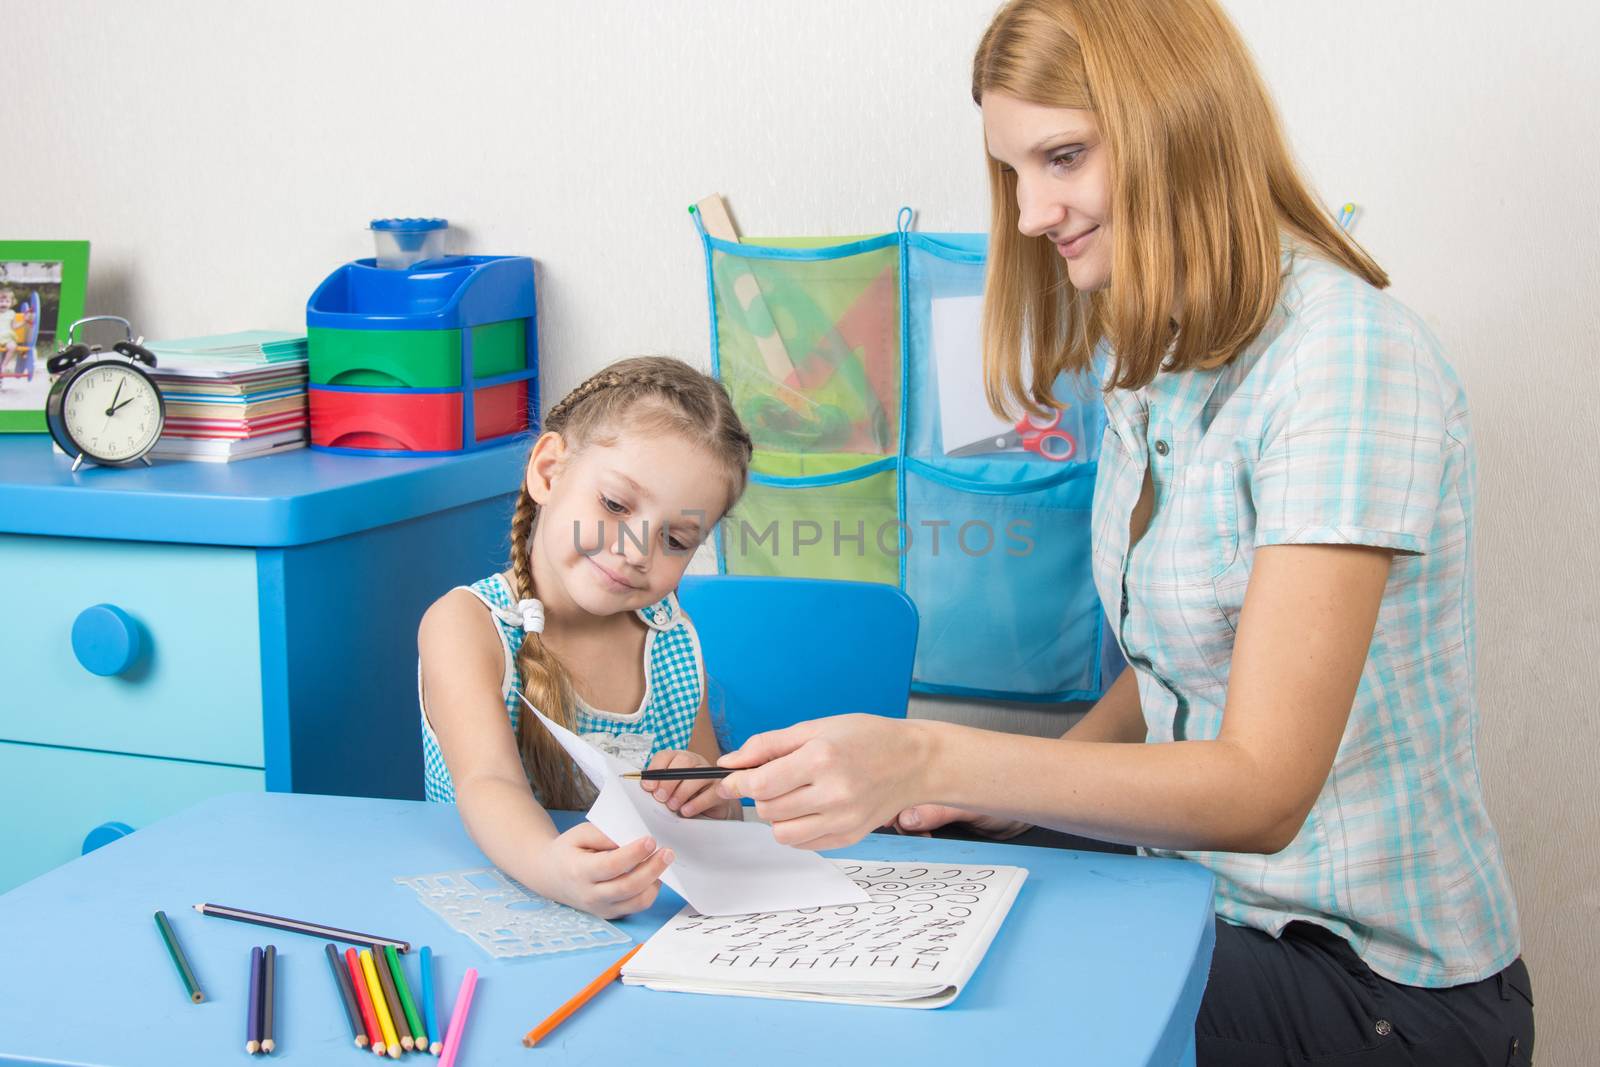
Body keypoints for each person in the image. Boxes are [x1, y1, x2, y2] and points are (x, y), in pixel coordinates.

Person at [713, 1, 1533, 1062]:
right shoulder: (1153, 353)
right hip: (1200, 889)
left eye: (1061, 157)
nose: (1027, 213)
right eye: (1012, 171)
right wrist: (988, 789)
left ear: (1180, 124)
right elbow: (1173, 666)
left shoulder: (1344, 359)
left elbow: (1262, 787)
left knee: (975, 1000)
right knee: (897, 882)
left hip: (1370, 977)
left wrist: (930, 753)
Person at [417, 356, 753, 919]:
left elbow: (712, 791)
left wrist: (710, 807)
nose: (637, 550)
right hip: (497, 916)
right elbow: (488, 781)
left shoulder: (670, 637)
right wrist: (554, 869)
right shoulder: (467, 625)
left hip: (645, 928)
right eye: (616, 505)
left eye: (675, 538)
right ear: (549, 471)